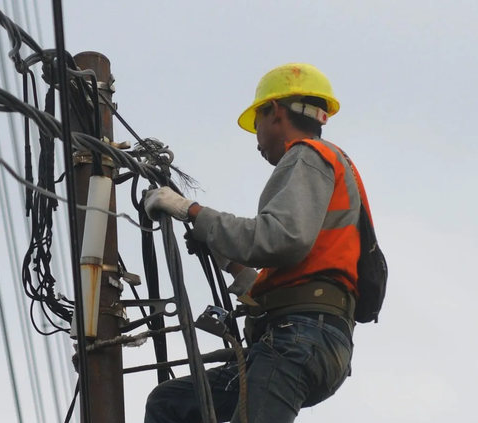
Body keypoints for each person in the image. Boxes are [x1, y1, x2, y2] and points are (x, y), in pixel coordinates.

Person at [144, 63, 369, 423]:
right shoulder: (330, 169)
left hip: (299, 336)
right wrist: (232, 263)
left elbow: (282, 239)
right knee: (170, 402)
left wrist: (192, 211)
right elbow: (301, 272)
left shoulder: (308, 156)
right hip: (309, 336)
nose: (257, 138)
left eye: (257, 124)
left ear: (275, 112)